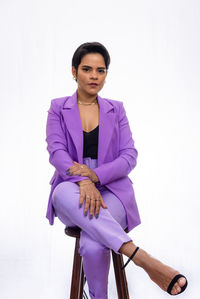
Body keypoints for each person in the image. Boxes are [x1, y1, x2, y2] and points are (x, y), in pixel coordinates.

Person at [45, 42, 188, 298]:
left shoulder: (116, 109)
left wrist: (96, 175)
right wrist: (83, 181)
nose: (94, 76)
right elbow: (57, 153)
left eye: (101, 71)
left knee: (93, 245)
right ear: (74, 71)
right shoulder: (58, 107)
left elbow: (129, 156)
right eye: (87, 69)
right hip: (72, 188)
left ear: (106, 75)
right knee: (60, 194)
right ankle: (144, 259)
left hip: (114, 189)